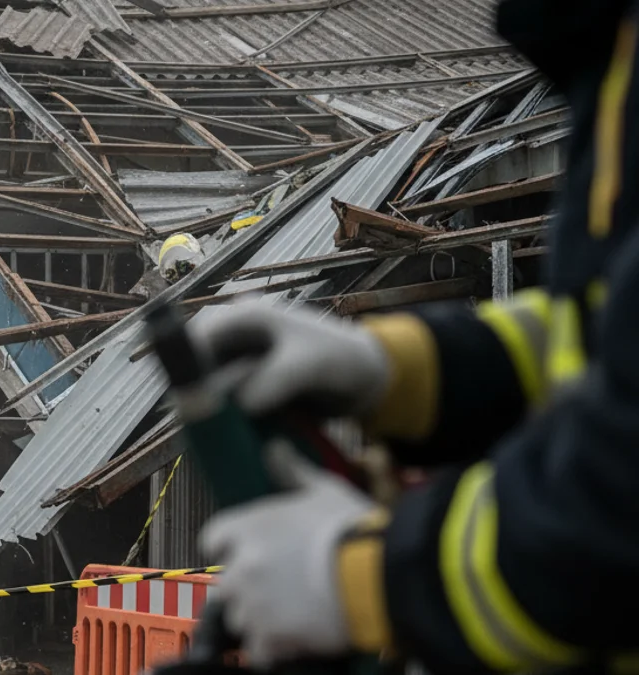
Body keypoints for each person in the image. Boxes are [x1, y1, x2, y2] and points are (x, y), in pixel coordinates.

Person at [191, 1, 639, 673]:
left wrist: (363, 574)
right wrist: (404, 367)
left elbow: (616, 508)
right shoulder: (609, 63)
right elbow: (597, 338)